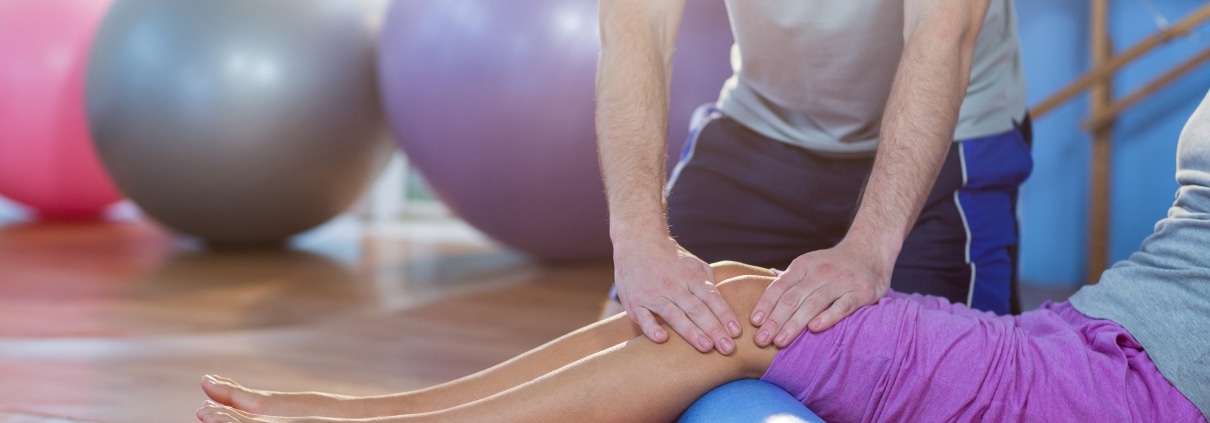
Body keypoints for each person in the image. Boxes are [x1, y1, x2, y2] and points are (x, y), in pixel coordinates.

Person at [193, 90, 1210, 423]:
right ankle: (371, 415)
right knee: (715, 293)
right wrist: (637, 235)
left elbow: (935, 51)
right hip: (1093, 340)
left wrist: (869, 250)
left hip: (1137, 388)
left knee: (732, 325)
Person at [596, 0, 1033, 356]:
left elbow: (943, 31)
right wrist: (637, 237)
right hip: (764, 119)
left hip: (950, 133)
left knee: (951, 376)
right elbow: (636, 23)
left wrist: (870, 249)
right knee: (630, 340)